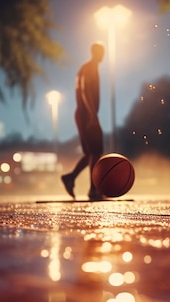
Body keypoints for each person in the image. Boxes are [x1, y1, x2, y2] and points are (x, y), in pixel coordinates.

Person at [61, 43, 105, 200]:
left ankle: (70, 177)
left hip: (84, 113)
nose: (103, 55)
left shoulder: (87, 68)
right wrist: (92, 114)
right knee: (96, 152)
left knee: (89, 154)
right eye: (101, 52)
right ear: (95, 52)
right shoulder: (89, 67)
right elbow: (85, 91)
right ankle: (94, 190)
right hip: (86, 113)